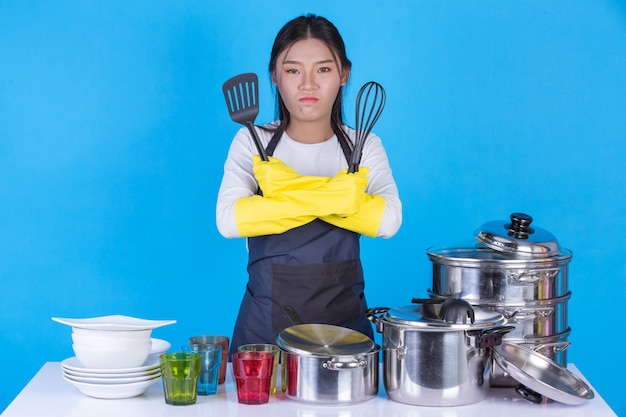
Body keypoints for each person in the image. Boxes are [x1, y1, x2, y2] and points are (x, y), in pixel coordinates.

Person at [216, 14, 402, 355]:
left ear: (343, 74)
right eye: (292, 70)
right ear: (275, 76)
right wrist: (344, 198)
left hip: (345, 337)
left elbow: (388, 221)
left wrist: (279, 191)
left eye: (323, 69)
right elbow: (230, 221)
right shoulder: (251, 141)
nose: (307, 84)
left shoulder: (364, 144)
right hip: (264, 340)